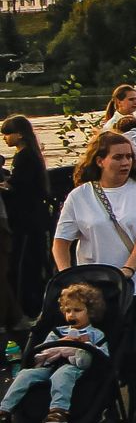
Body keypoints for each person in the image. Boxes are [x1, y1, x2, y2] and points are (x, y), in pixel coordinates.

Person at [54, 130, 136, 287]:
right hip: (92, 283)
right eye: (118, 157)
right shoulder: (79, 196)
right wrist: (67, 277)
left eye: (129, 156)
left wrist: (128, 269)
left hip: (132, 281)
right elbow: (61, 241)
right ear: (99, 161)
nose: (125, 162)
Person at [5, 281, 109, 423]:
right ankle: (5, 409)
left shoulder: (96, 334)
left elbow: (104, 357)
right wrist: (60, 345)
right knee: (24, 374)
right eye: (68, 311)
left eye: (77, 310)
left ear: (90, 311)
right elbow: (45, 349)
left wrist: (85, 346)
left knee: (63, 374)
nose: (71, 314)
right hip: (49, 366)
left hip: (76, 367)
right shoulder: (57, 331)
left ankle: (58, 411)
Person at [2, 115, 51, 327]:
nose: (4, 138)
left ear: (19, 134)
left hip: (27, 220)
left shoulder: (24, 157)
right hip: (34, 216)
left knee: (25, 264)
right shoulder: (29, 154)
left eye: (7, 133)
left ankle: (29, 306)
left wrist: (5, 185)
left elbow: (19, 187)